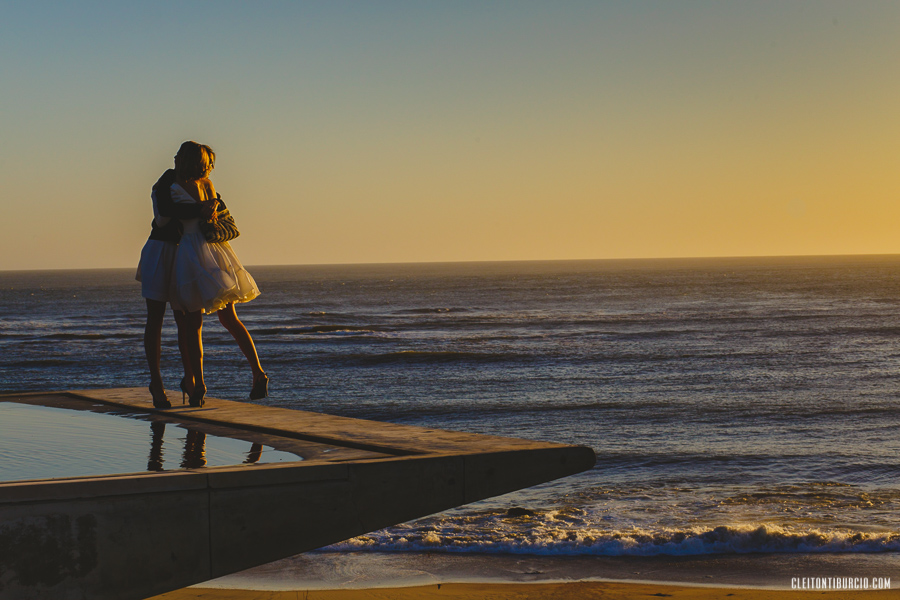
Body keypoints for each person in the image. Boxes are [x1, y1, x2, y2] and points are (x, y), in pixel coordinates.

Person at [166, 141, 267, 407]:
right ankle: (258, 371)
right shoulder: (208, 186)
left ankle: (198, 384)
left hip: (190, 251)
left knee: (192, 325)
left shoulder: (174, 184)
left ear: (183, 160)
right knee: (230, 319)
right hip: (217, 251)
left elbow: (167, 213)